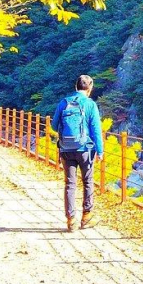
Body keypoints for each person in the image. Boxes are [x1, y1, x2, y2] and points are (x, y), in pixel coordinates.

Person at [53, 75, 104, 232]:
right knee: (87, 181)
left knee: (70, 184)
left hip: (66, 149)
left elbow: (54, 126)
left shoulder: (64, 103)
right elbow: (96, 130)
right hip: (85, 150)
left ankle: (71, 220)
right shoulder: (90, 104)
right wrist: (100, 151)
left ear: (76, 86)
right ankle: (86, 217)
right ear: (90, 88)